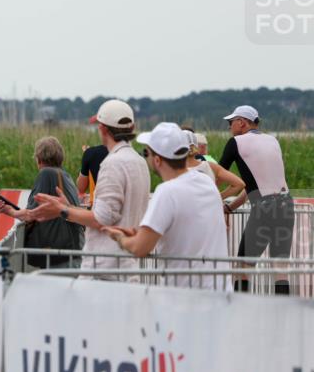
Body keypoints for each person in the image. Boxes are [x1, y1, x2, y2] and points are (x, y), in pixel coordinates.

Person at [30, 99, 150, 278]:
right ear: (131, 128)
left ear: (103, 129)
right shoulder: (139, 162)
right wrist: (70, 208)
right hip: (127, 264)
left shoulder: (113, 164)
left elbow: (102, 218)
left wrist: (63, 210)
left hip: (104, 267)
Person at [104, 122, 228, 290]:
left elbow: (140, 249)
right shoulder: (206, 181)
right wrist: (140, 235)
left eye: (146, 152)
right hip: (219, 291)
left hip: (184, 298)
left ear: (157, 159)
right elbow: (187, 232)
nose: (145, 157)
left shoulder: (167, 191)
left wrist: (119, 238)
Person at [218, 105, 294, 294]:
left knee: (244, 265)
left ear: (241, 123)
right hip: (286, 204)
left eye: (231, 122)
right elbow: (256, 185)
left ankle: (240, 312)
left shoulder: (236, 142)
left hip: (264, 207)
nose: (229, 127)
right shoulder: (272, 140)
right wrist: (231, 207)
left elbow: (217, 175)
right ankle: (283, 315)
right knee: (280, 268)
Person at [0, 137, 84, 269]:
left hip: (56, 253)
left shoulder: (46, 174)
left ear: (39, 158)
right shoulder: (66, 175)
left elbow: (31, 214)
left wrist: (10, 211)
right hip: (73, 249)